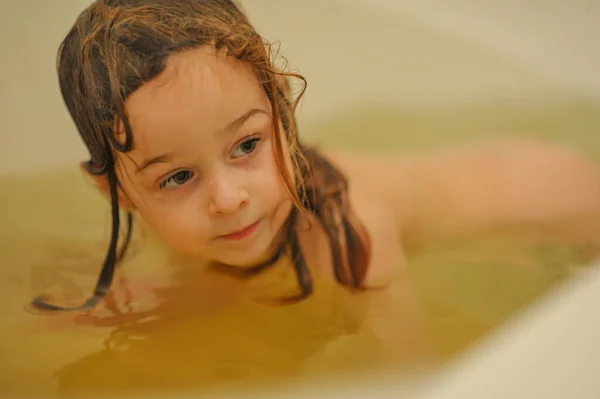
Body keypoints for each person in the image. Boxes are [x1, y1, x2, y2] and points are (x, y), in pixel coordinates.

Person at [33, 0, 600, 312]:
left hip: (554, 198)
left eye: (248, 145)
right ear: (117, 193)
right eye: (179, 175)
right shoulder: (238, 212)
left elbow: (406, 373)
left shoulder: (352, 238)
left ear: (281, 107)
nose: (229, 198)